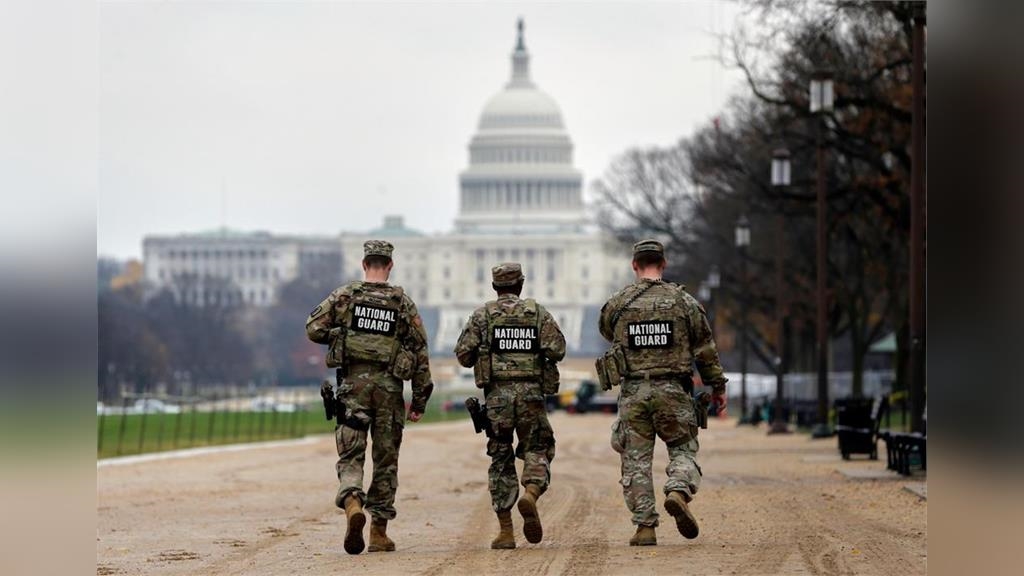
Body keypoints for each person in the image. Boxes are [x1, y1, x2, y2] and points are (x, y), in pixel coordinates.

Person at [305, 240, 433, 555]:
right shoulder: (402, 303)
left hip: (353, 387)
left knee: (351, 453)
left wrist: (341, 336)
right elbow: (420, 353)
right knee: (386, 461)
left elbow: (313, 328)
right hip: (389, 390)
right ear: (389, 265)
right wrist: (419, 401)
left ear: (364, 264)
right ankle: (378, 533)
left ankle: (352, 502)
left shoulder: (345, 295)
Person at [598, 239, 727, 546]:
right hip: (674, 389)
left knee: (636, 462)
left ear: (634, 265)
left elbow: (606, 332)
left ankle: (645, 527)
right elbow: (705, 349)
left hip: (634, 392)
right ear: (664, 263)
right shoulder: (685, 302)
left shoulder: (617, 304)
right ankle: (678, 489)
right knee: (683, 449)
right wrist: (717, 386)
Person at [454, 262, 566, 549]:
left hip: (497, 399)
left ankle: (505, 532)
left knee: (500, 458)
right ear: (521, 284)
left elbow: (463, 356)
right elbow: (558, 350)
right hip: (531, 396)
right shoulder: (537, 313)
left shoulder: (482, 316)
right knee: (537, 448)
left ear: (495, 286)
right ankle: (531, 493)